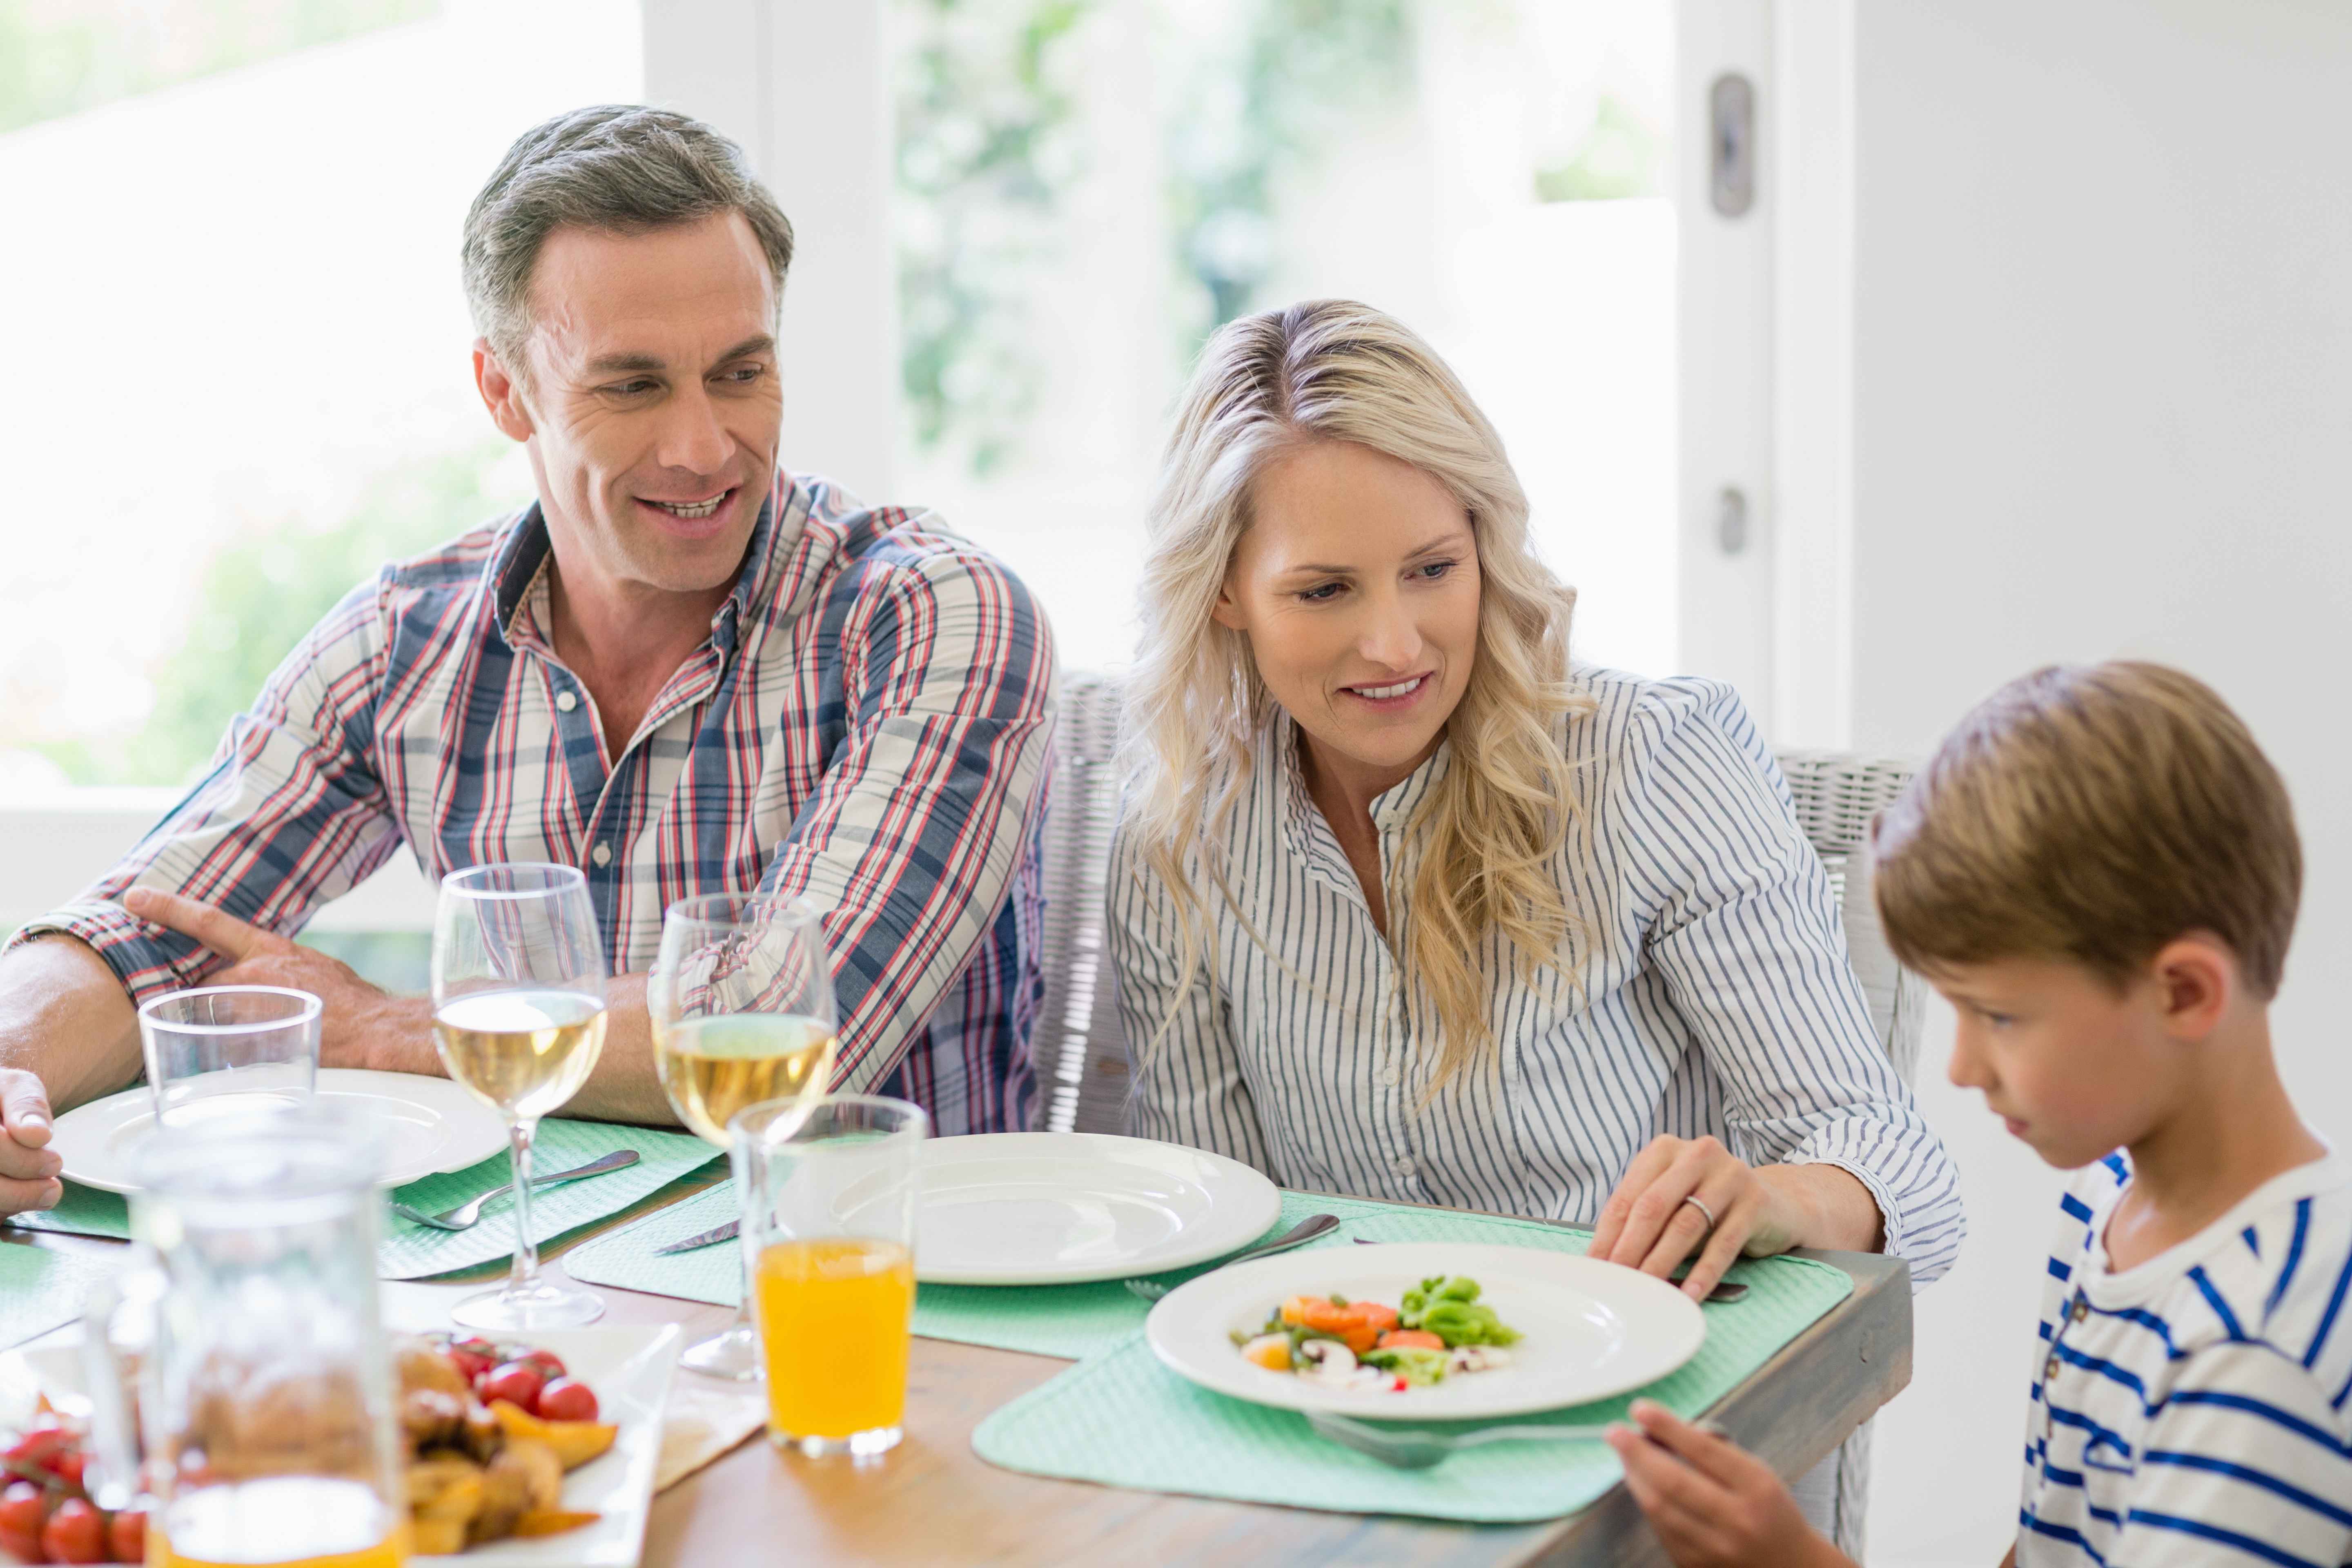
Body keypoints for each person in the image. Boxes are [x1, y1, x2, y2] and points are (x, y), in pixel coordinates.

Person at [0, 105, 1056, 1217]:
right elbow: (152, 932)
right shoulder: (400, 645)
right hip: (518, 1289)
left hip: (899, 1301)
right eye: (634, 386)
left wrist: (379, 1028)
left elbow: (790, 1026)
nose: (704, 446)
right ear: (503, 390)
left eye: (741, 373)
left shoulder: (933, 616)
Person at [1109, 298, 1962, 1303]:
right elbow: (1220, 1235)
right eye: (1324, 591)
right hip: (1330, 1399)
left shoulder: (1655, 762)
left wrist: (1781, 1200)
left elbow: (1909, 1183)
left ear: (1484, 545)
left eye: (1434, 570)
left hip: (1632, 1391)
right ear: (1223, 593)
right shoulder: (1180, 837)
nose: (1394, 645)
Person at [1608, 662, 2352, 1568]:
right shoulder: (2111, 1201)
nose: (1961, 1067)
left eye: (1999, 1017)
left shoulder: (2257, 1351)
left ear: (2185, 993)